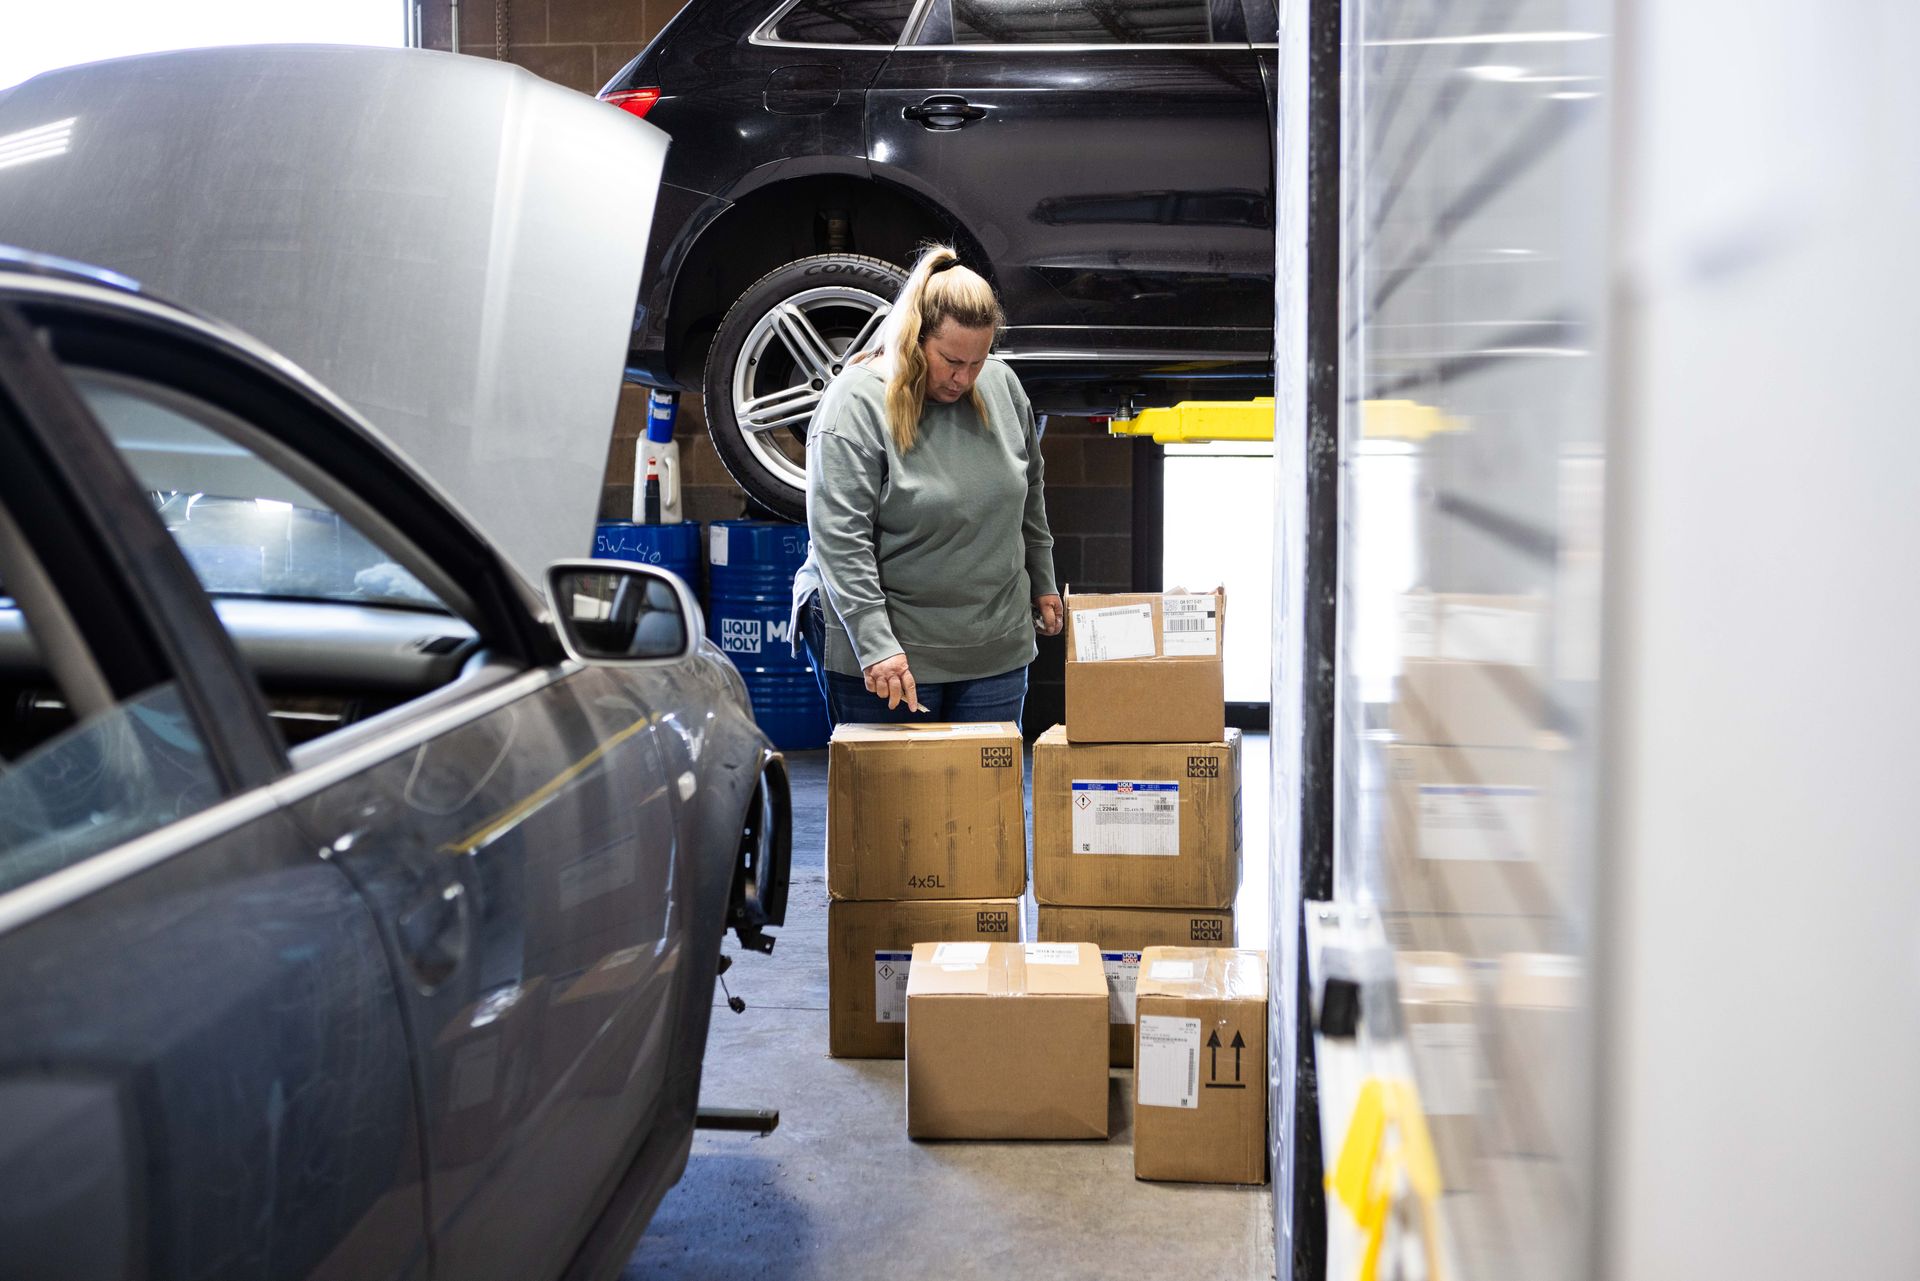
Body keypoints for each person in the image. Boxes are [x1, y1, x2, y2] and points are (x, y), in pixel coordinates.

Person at [793, 245, 1061, 726]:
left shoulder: (1001, 386)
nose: (964, 378)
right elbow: (840, 539)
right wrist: (875, 646)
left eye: (978, 361)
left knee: (983, 802)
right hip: (891, 649)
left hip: (993, 640)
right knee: (890, 802)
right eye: (951, 361)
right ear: (915, 338)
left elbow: (1029, 494)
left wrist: (1042, 580)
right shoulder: (855, 404)